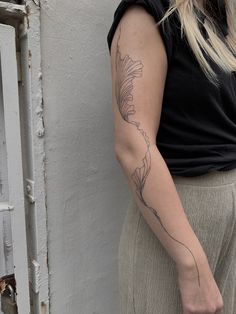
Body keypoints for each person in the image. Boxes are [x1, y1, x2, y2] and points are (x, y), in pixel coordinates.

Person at [106, 0, 236, 313]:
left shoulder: (221, 19)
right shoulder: (148, 12)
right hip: (178, 217)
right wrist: (191, 261)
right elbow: (133, 145)